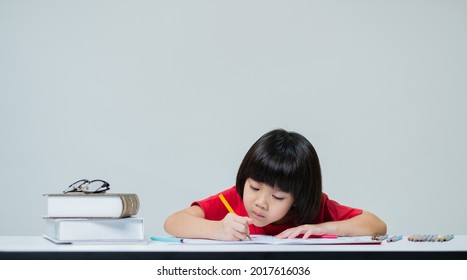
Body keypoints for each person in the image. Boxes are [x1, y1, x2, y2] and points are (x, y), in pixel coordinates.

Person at [164, 129, 387, 240]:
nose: (260, 202)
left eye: (278, 197)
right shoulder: (233, 200)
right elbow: (174, 222)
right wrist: (217, 229)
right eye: (254, 187)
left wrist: (325, 228)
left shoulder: (316, 208)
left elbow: (376, 225)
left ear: (298, 198)